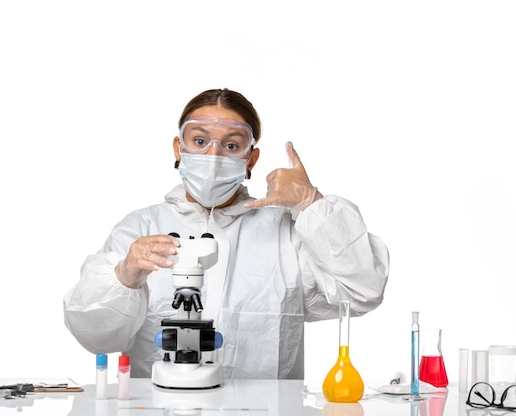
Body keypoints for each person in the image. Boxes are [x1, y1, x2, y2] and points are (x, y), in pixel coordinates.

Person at [63, 88, 389, 379]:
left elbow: (362, 292)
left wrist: (311, 203)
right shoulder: (142, 228)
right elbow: (95, 337)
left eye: (232, 144)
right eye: (200, 141)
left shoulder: (284, 231)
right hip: (161, 405)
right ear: (179, 148)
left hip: (265, 408)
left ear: (251, 158)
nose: (214, 156)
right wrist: (126, 275)